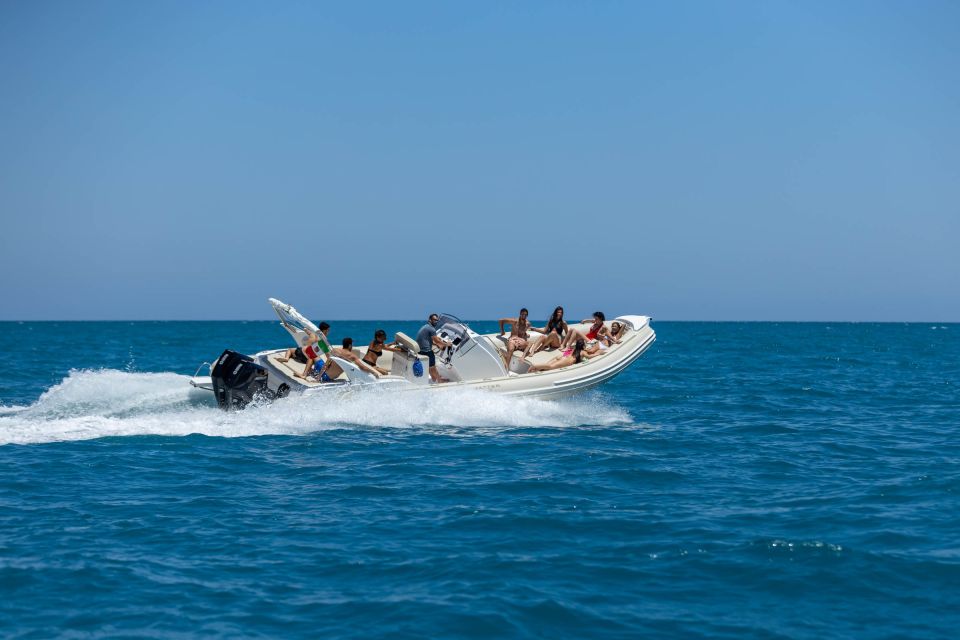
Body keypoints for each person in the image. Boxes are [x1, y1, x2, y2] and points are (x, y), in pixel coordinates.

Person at [310, 337, 383, 381]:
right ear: (350, 345)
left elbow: (326, 365)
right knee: (316, 360)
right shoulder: (352, 356)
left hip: (324, 375)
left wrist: (319, 377)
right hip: (329, 378)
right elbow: (363, 367)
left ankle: (310, 372)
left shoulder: (335, 350)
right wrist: (373, 372)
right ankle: (311, 372)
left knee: (314, 356)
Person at [416, 313, 454, 383]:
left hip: (420, 349)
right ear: (429, 320)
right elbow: (437, 341)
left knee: (430, 366)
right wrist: (447, 344)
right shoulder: (431, 329)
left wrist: (436, 344)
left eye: (437, 320)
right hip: (426, 351)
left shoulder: (426, 326)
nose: (436, 321)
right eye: (434, 320)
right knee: (433, 366)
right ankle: (440, 380)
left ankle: (434, 378)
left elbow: (427, 339)